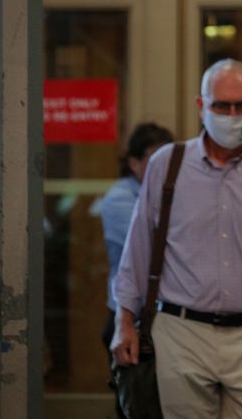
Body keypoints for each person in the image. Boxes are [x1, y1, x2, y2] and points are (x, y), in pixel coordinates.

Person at [111, 59, 242, 419]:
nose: (232, 115)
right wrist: (123, 322)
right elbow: (138, 251)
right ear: (201, 106)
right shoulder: (165, 165)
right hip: (181, 333)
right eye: (222, 106)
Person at [101, 122, 173, 419]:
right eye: (154, 160)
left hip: (164, 318)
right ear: (134, 163)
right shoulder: (119, 199)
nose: (163, 168)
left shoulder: (168, 195)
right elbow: (161, 245)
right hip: (131, 317)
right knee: (138, 405)